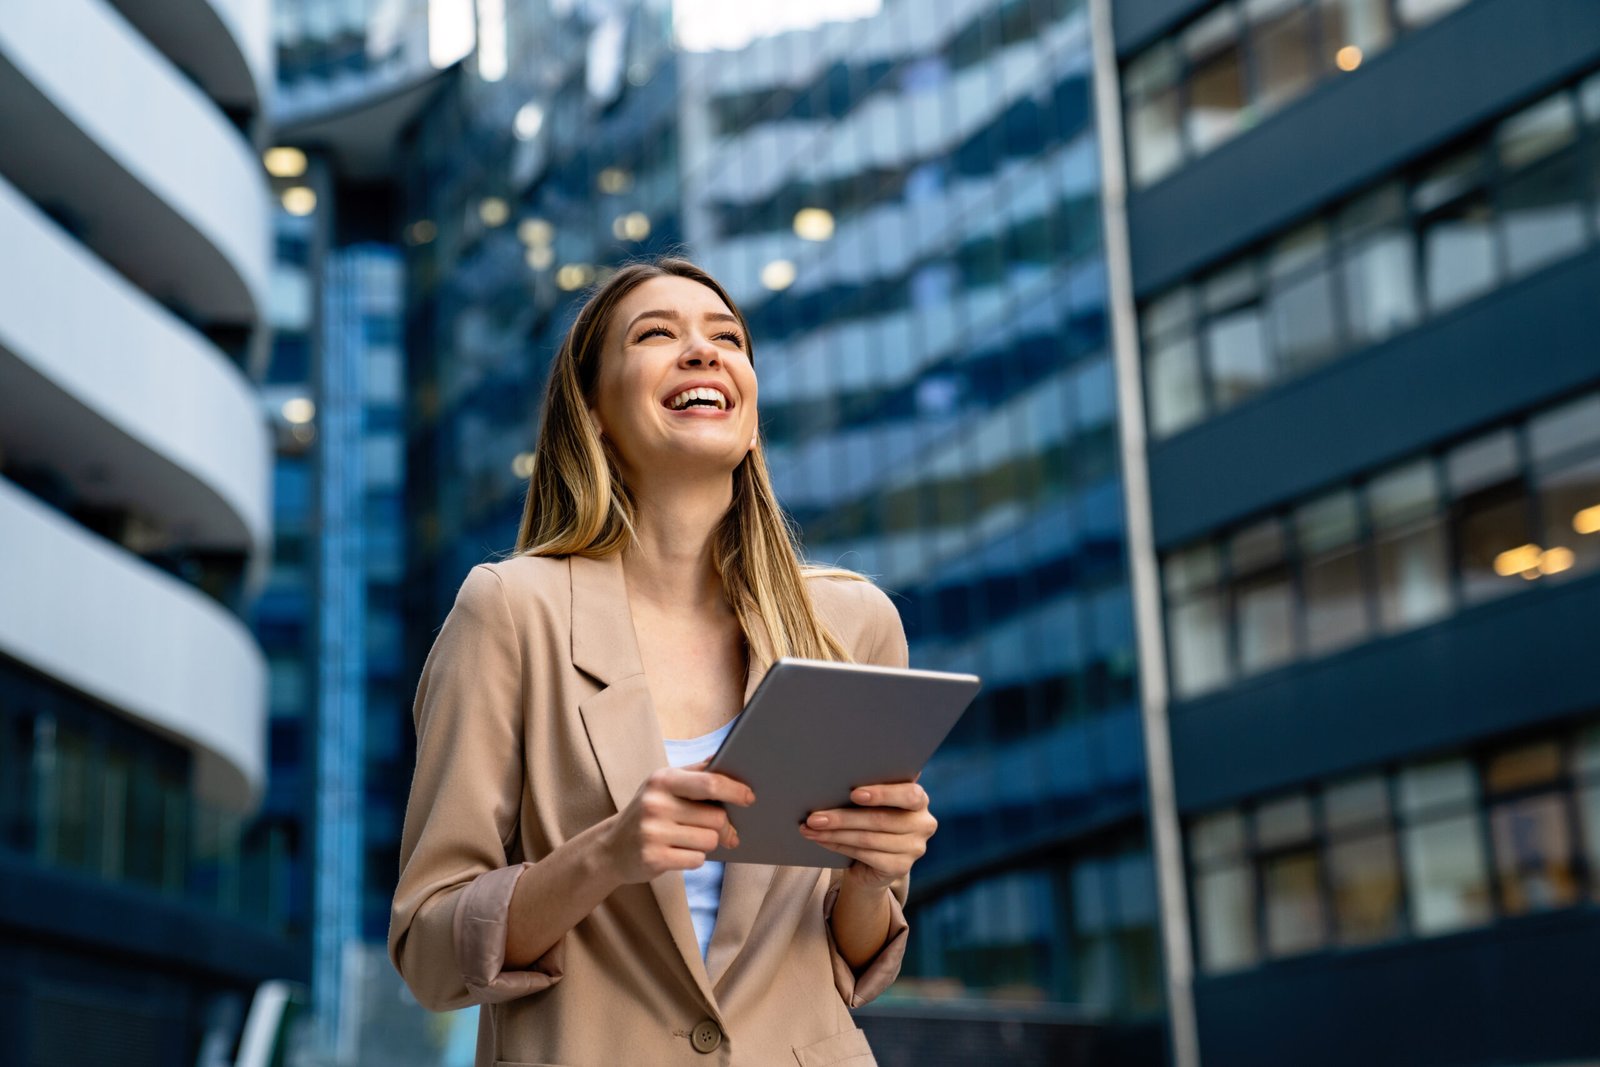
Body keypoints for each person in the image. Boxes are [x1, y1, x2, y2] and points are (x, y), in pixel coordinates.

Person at [388, 257, 939, 1065]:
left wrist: (870, 876)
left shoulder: (852, 626)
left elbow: (853, 963)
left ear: (750, 416)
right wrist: (604, 855)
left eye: (728, 339)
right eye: (656, 334)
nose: (703, 351)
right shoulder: (509, 612)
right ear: (595, 412)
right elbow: (430, 952)